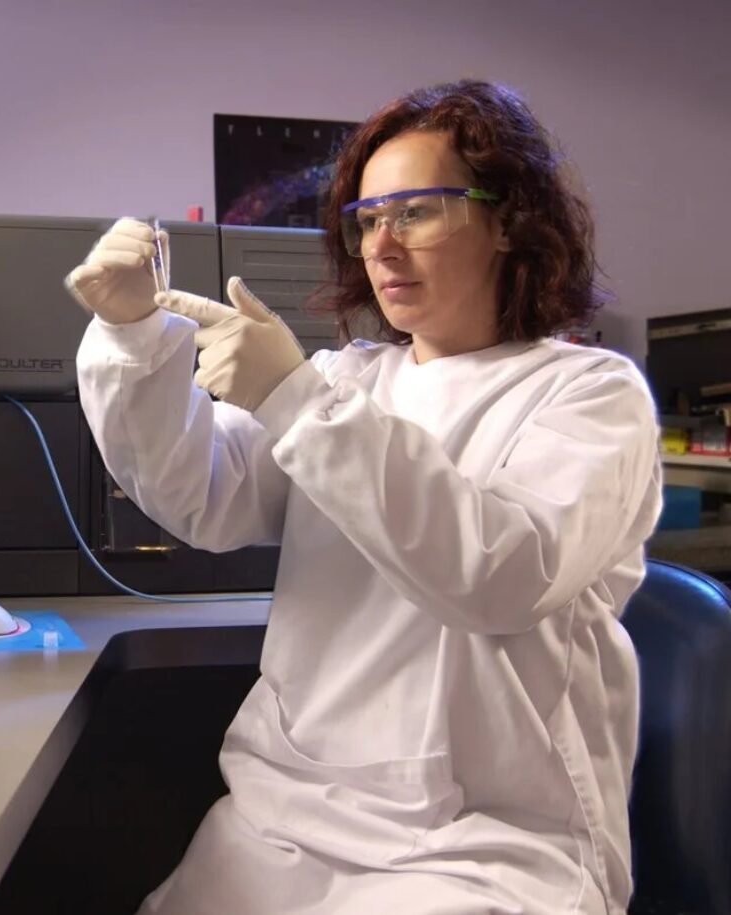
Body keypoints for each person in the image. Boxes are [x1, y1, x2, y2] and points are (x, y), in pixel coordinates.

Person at [65, 80, 662, 914]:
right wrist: (132, 334)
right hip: (285, 821)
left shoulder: (590, 394)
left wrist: (296, 398)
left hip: (482, 843)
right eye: (367, 219)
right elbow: (203, 495)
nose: (381, 246)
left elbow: (499, 574)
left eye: (415, 211)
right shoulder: (355, 378)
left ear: (507, 220)